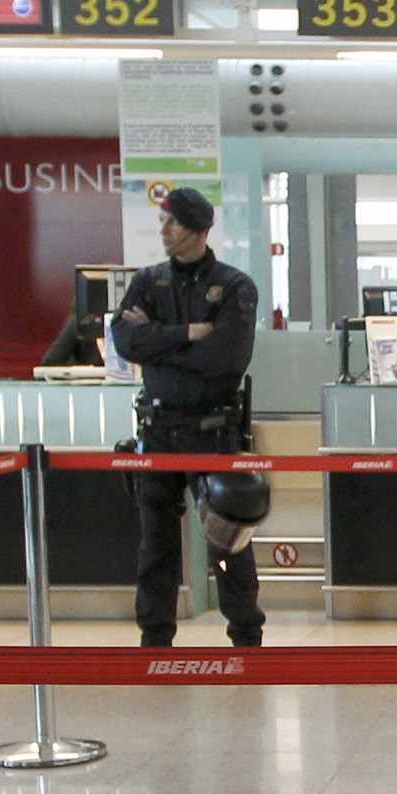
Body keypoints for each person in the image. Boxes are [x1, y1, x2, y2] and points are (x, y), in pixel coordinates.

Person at [111, 187, 263, 648]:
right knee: (156, 543)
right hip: (158, 431)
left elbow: (225, 359)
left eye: (172, 222)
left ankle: (246, 636)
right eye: (162, 221)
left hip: (213, 432)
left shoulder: (234, 287)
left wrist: (158, 343)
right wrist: (187, 334)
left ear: (198, 230)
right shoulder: (147, 282)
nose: (164, 230)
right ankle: (155, 638)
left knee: (228, 540)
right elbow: (126, 342)